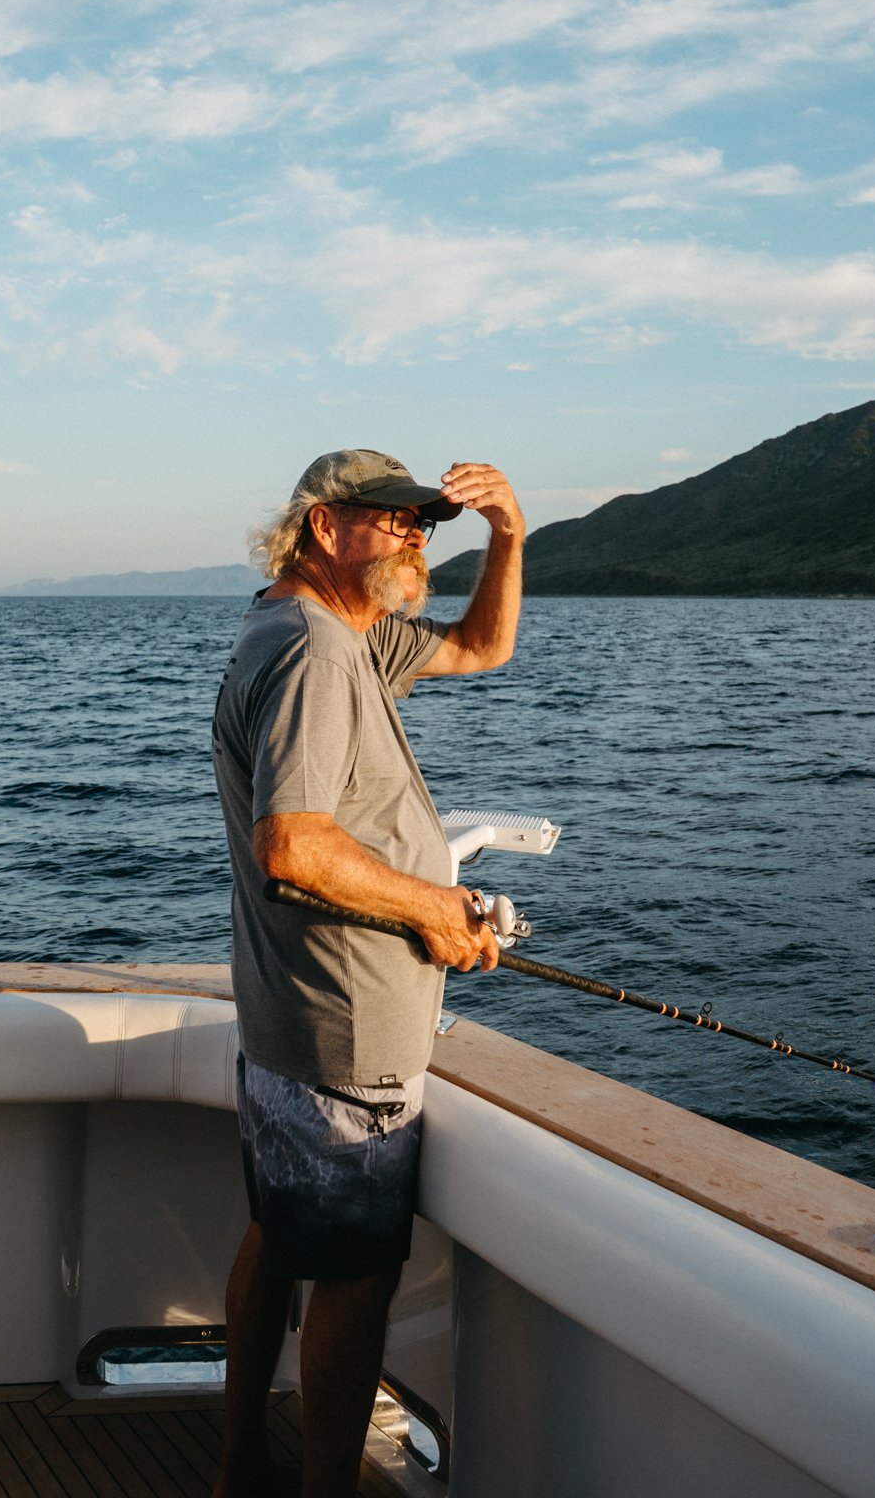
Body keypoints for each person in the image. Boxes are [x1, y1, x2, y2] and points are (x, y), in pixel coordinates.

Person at [211, 449, 524, 1498]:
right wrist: (439, 905)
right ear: (320, 528)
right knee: (353, 1282)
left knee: (275, 1235)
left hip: (287, 1025)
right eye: (390, 520)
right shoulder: (310, 649)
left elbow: (483, 647)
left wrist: (512, 538)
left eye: (424, 523)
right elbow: (292, 844)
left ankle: (238, 1466)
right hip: (345, 1036)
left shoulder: (340, 635)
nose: (414, 539)